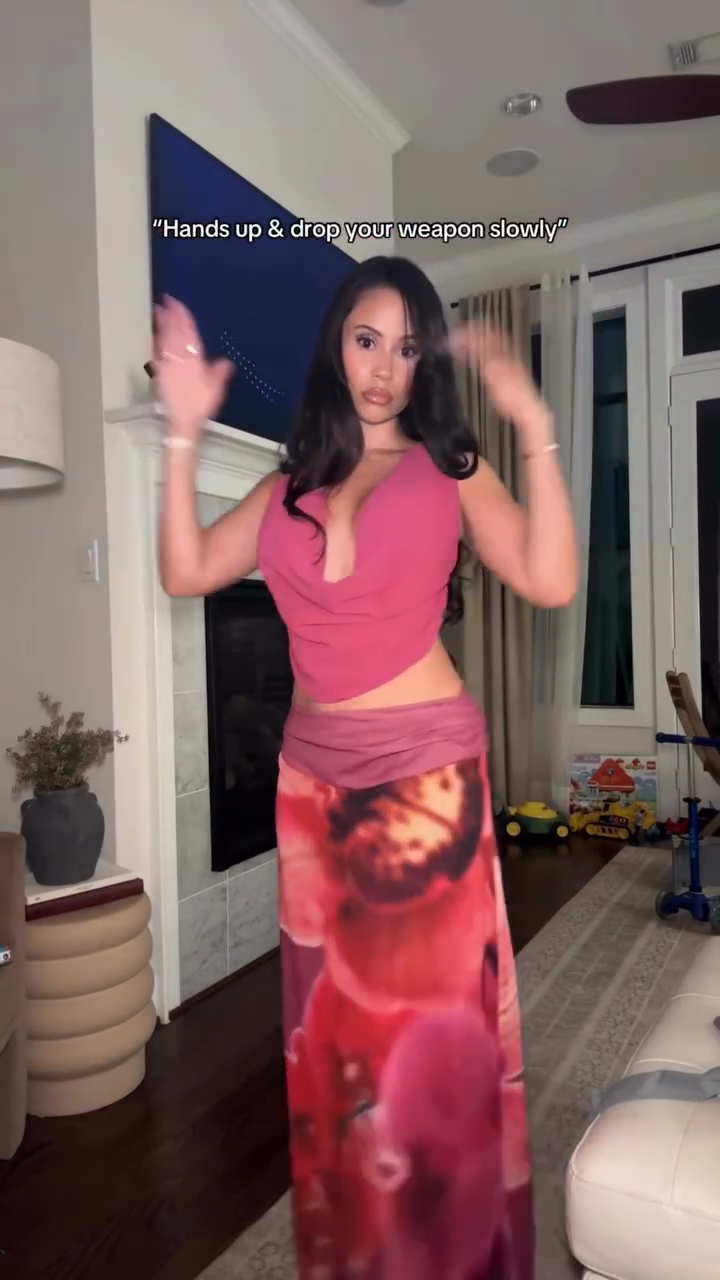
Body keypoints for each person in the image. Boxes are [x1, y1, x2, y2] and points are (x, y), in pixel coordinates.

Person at [154, 255, 577, 1280]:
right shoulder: (285, 486)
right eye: (366, 340)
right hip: (312, 790)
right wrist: (181, 436)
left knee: (429, 1051)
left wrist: (533, 426)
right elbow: (187, 568)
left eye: (407, 346)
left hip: (425, 786)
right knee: (340, 1049)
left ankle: (452, 1255)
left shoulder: (448, 467)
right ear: (336, 347)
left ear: (426, 362)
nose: (385, 368)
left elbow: (551, 578)